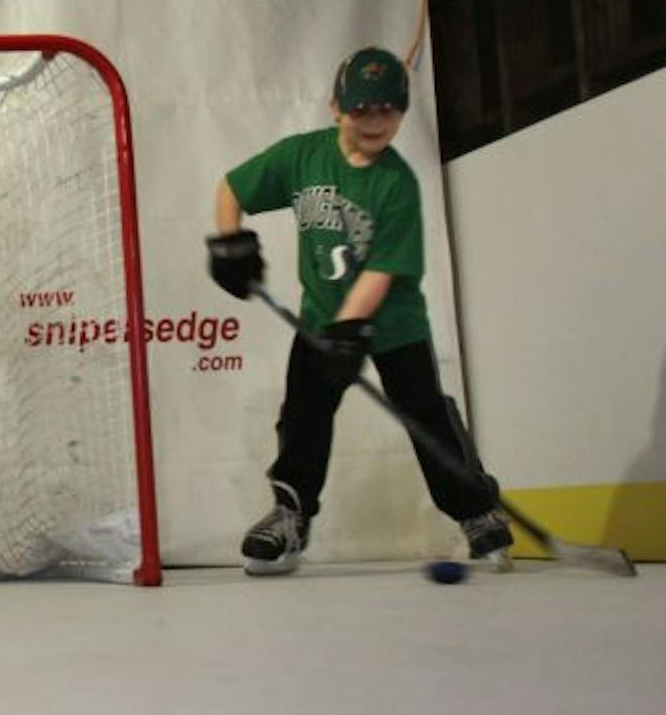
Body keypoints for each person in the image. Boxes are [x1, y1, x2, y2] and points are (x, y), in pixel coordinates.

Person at [205, 47, 514, 577]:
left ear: (401, 112)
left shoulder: (396, 182)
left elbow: (381, 271)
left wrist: (353, 327)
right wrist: (229, 242)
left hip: (393, 326)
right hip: (321, 321)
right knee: (303, 416)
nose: (375, 122)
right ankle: (291, 514)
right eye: (362, 110)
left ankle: (475, 510)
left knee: (425, 418)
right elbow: (232, 187)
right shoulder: (301, 157)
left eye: (388, 110)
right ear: (334, 107)